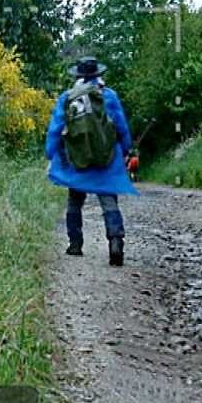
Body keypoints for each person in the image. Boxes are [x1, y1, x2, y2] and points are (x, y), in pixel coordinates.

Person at [45, 57, 139, 266]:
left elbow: (55, 128)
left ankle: (75, 244)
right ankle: (116, 241)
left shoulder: (67, 97)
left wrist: (50, 154)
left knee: (74, 199)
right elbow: (121, 125)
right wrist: (126, 148)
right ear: (98, 74)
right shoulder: (109, 95)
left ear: (78, 75)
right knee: (108, 199)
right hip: (106, 155)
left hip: (77, 156)